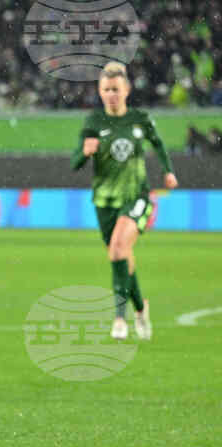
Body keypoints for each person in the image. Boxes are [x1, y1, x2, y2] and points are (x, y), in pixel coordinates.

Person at [71, 62, 178, 341]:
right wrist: (85, 153)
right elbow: (74, 163)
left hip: (136, 197)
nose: (111, 94)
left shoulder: (140, 118)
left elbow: (158, 143)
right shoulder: (93, 122)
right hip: (104, 201)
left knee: (118, 248)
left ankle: (120, 319)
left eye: (116, 89)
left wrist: (168, 171)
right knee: (121, 256)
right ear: (100, 91)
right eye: (106, 89)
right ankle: (141, 309)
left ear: (127, 89)